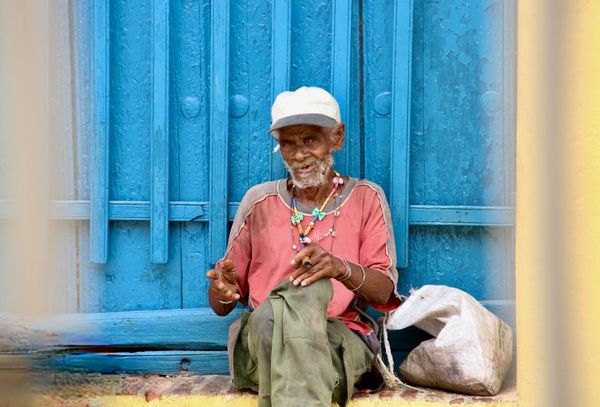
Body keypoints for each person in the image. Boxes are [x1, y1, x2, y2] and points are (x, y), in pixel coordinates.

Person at [206, 86, 401, 407]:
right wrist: (221, 290)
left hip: (337, 337)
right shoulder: (259, 202)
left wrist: (342, 269)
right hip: (266, 337)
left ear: (336, 138)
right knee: (271, 317)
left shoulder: (367, 198)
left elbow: (384, 293)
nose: (298, 154)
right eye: (288, 143)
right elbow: (223, 305)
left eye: (311, 140)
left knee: (299, 355)